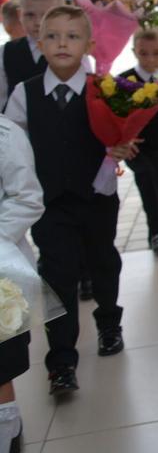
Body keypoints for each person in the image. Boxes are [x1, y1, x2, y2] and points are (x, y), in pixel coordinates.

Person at [4, 6, 136, 396]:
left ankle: (109, 321)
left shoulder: (104, 88)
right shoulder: (23, 94)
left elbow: (121, 134)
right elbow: (10, 146)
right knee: (57, 276)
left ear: (89, 44)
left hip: (96, 197)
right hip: (49, 204)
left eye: (73, 36)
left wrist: (124, 146)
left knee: (102, 261)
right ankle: (61, 361)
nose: (63, 43)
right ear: (39, 43)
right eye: (54, 36)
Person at [0, 102, 44, 451]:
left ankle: (8, 432)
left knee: (0, 365)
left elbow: (27, 199)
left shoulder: (6, 134)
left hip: (1, 271)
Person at [118, 27, 158, 254]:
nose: (150, 59)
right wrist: (123, 139)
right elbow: (114, 116)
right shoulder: (123, 81)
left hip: (156, 146)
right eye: (144, 53)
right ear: (134, 52)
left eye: (156, 53)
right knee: (146, 177)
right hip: (132, 147)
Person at [0, 0, 61, 109]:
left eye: (46, 15)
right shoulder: (5, 53)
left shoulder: (74, 52)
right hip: (15, 125)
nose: (38, 22)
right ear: (19, 15)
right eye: (30, 15)